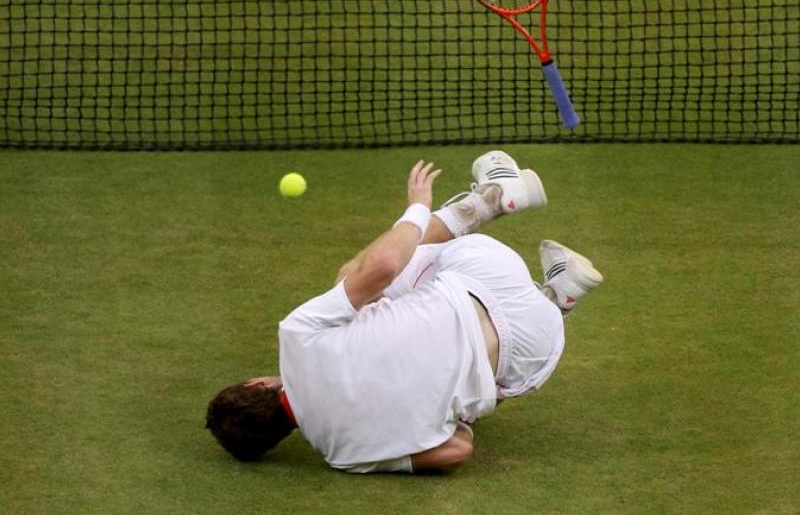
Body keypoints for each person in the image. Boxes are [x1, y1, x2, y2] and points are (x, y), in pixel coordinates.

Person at [206, 151, 603, 472]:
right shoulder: (296, 335)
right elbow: (382, 269)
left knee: (470, 393)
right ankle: (488, 200)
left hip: (536, 353)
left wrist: (444, 416)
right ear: (257, 383)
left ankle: (558, 296)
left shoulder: (346, 456)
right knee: (353, 279)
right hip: (488, 270)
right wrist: (416, 208)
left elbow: (457, 452)